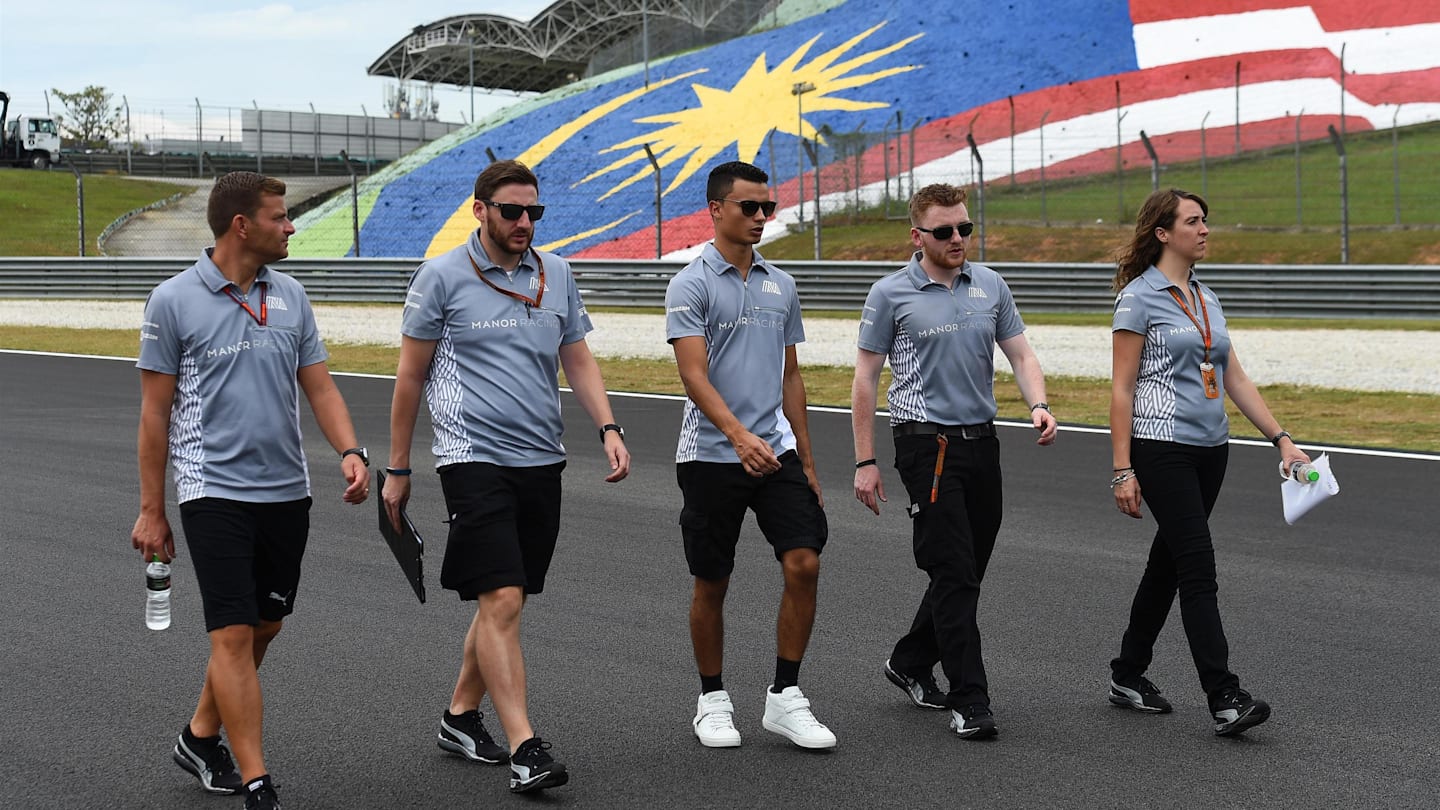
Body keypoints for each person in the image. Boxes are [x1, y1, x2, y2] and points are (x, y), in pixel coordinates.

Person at [383, 159, 630, 793]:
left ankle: (460, 717)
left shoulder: (557, 273)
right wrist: (399, 467)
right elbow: (409, 378)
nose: (525, 223)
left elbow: (576, 354)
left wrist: (608, 427)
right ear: (480, 210)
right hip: (473, 459)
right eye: (512, 212)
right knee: (503, 598)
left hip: (542, 459)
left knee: (508, 597)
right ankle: (526, 747)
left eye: (534, 213)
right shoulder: (440, 278)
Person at [131, 171, 371, 810]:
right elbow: (155, 415)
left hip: (287, 493)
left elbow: (319, 385)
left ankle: (199, 735)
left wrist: (350, 450)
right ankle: (256, 779)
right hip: (213, 493)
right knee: (232, 635)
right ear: (243, 225)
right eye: (279, 216)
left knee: (266, 624)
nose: (290, 225)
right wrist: (153, 510)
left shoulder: (291, 295)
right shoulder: (173, 300)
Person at [851, 183, 1057, 740]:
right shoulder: (890, 293)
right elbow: (866, 379)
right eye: (944, 231)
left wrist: (1038, 403)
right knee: (954, 572)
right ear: (917, 236)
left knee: (967, 570)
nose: (958, 238)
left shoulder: (990, 284)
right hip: (926, 445)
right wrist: (864, 460)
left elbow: (1020, 352)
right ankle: (972, 699)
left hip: (981, 444)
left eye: (965, 228)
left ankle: (911, 660)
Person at [1107, 188, 1309, 736]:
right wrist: (1123, 469)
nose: (1204, 230)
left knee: (1167, 565)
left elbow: (1235, 376)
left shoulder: (1207, 297)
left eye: (1206, 220)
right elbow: (1122, 389)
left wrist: (1281, 439)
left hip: (1211, 450)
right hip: (1160, 446)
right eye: (1193, 221)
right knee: (1197, 567)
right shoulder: (1138, 298)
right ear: (1163, 233)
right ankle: (1224, 695)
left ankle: (1127, 673)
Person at [665, 160, 836, 750]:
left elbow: (791, 375)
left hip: (777, 453)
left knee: (804, 563)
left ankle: (785, 697)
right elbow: (693, 374)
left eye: (769, 207)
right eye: (750, 207)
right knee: (713, 580)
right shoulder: (690, 283)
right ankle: (712, 699)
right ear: (716, 210)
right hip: (712, 455)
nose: (762, 217)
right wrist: (738, 435)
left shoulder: (780, 284)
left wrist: (807, 460)